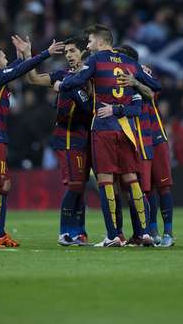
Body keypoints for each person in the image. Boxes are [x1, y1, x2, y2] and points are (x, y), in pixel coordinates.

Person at [55, 24, 160, 247]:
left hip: (103, 127)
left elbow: (74, 81)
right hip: (127, 128)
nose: (89, 45)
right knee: (132, 179)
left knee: (105, 181)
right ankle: (145, 233)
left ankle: (113, 235)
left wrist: (61, 84)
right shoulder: (130, 62)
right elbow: (155, 85)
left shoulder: (95, 60)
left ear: (101, 42)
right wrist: (135, 82)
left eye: (91, 41)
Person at [0, 37, 64, 248]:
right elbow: (17, 71)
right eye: (4, 57)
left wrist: (23, 54)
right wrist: (46, 53)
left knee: (4, 184)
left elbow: (14, 68)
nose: (7, 59)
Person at [25, 36, 92, 246]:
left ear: (83, 52)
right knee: (74, 185)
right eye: (66, 53)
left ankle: (79, 233)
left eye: (72, 51)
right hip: (67, 138)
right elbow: (33, 79)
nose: (69, 56)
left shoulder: (92, 75)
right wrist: (28, 55)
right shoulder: (60, 76)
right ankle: (65, 232)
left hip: (87, 138)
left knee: (80, 187)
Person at [115, 45, 175, 248]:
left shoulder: (143, 72)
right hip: (137, 139)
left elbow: (152, 92)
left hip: (155, 136)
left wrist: (135, 82)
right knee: (145, 189)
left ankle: (168, 232)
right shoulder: (116, 77)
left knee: (163, 186)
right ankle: (152, 231)